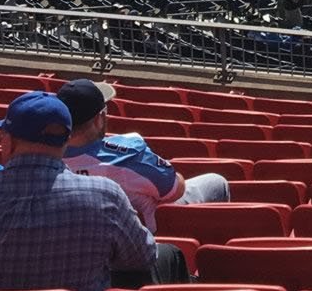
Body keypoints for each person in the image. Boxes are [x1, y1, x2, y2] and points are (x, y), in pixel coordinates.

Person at [0, 92, 172, 291]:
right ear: (65, 142)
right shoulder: (104, 195)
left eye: (2, 135)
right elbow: (143, 256)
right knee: (166, 254)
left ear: (10, 140)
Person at [56, 79, 230, 232]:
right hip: (144, 241)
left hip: (82, 239)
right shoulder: (127, 155)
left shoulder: (42, 157)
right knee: (217, 182)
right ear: (99, 118)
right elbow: (175, 190)